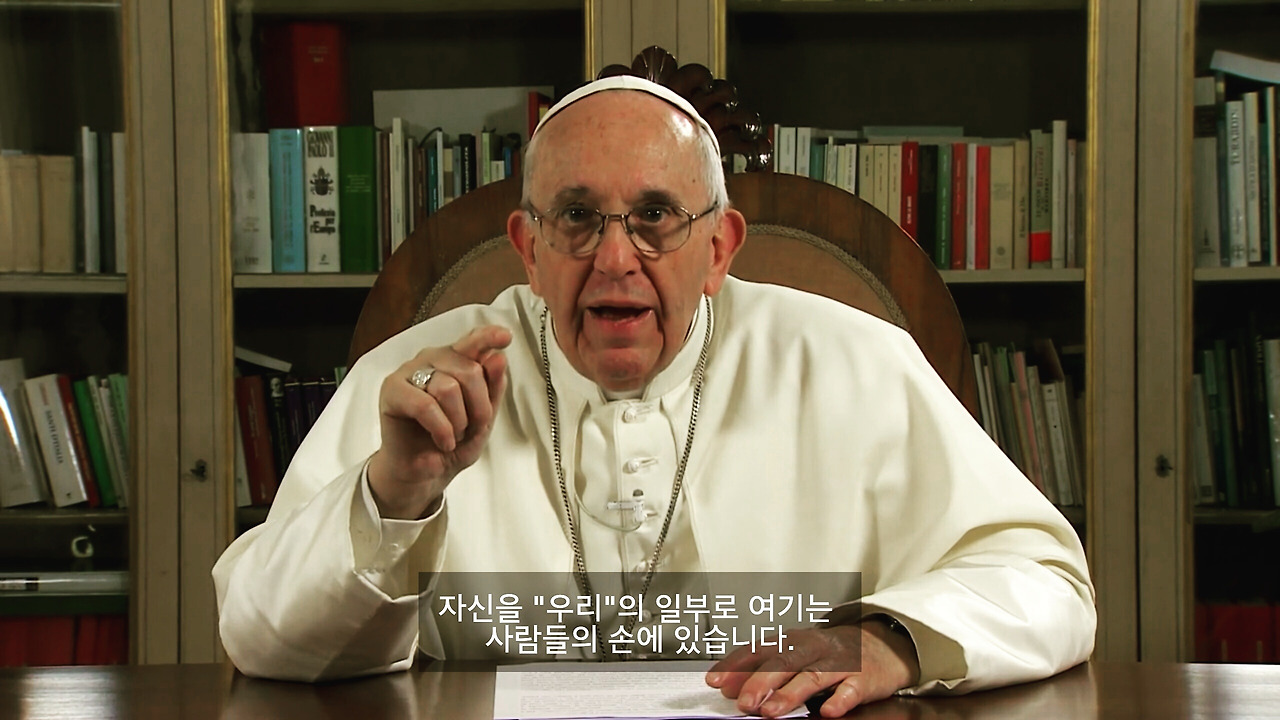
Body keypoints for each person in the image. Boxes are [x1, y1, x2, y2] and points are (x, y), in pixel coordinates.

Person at [213, 75, 1095, 718]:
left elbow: (1047, 583)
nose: (615, 258)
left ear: (719, 248)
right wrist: (395, 495)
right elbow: (260, 637)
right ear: (527, 248)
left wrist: (890, 641)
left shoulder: (853, 362)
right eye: (576, 216)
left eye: (656, 217)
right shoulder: (420, 377)